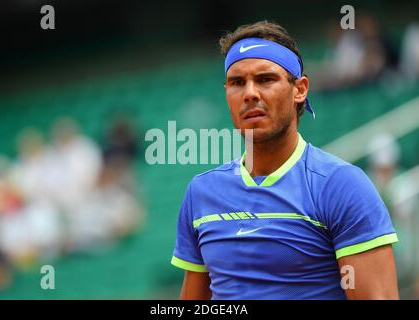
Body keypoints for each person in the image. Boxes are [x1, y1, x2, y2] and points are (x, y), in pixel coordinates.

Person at [171, 20, 399, 300]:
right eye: (237, 83)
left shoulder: (342, 186)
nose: (250, 93)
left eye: (265, 79)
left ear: (300, 89)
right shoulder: (200, 193)